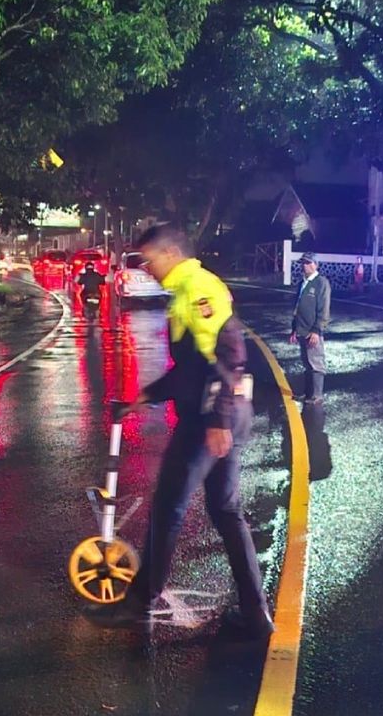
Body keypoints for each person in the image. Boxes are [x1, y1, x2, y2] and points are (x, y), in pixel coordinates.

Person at [87, 223, 273, 638]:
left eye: (149, 259)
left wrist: (217, 421)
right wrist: (145, 397)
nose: (146, 268)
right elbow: (190, 369)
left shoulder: (197, 288)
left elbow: (228, 355)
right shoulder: (186, 289)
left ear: (170, 252)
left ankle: (139, 603)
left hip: (211, 418)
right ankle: (256, 614)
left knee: (168, 507)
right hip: (222, 412)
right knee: (225, 511)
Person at [289, 252, 331, 404]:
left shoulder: (321, 283)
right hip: (301, 329)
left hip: (312, 331)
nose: (304, 266)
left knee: (316, 362)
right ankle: (308, 393)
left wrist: (316, 331)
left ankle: (317, 395)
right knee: (307, 362)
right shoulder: (303, 283)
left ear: (315, 264)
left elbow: (323, 310)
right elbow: (297, 307)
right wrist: (294, 329)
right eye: (303, 263)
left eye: (307, 263)